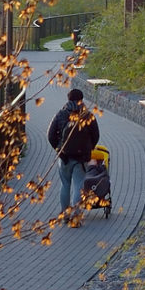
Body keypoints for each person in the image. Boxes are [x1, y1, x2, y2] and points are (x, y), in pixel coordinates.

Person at [48, 87, 102, 215]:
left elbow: (50, 136)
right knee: (79, 185)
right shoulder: (88, 115)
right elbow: (96, 135)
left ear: (68, 99)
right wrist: (89, 149)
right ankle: (76, 215)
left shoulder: (61, 114)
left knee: (65, 185)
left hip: (65, 157)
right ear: (81, 100)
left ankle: (65, 213)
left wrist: (59, 149)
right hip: (81, 158)